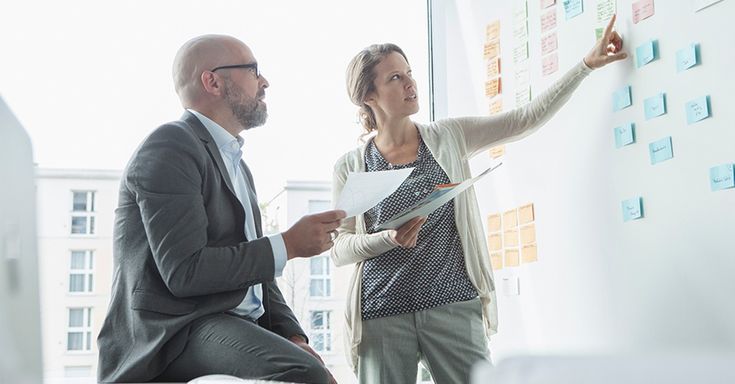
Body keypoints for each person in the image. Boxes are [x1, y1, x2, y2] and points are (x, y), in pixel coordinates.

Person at [331, 15, 627, 384]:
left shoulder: (449, 137)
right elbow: (340, 249)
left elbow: (525, 118)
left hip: (454, 305)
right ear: (368, 96)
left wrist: (584, 66)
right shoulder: (351, 166)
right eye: (396, 78)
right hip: (381, 316)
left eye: (410, 73)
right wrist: (386, 239)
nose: (410, 84)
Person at [97, 34, 344, 383]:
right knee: (303, 374)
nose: (265, 82)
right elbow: (184, 271)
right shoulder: (170, 146)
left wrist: (293, 335)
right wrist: (288, 245)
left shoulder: (238, 165)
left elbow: (256, 275)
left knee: (310, 366)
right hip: (174, 331)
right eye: (253, 70)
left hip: (226, 322)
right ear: (212, 81)